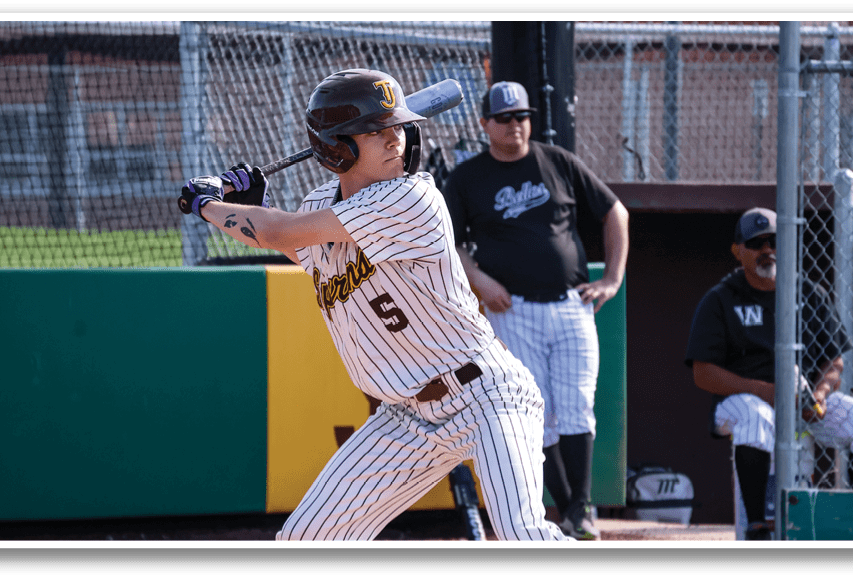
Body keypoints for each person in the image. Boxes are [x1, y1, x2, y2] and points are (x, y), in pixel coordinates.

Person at [176, 69, 568, 541]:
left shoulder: (412, 197)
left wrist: (209, 206)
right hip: (406, 417)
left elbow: (281, 231)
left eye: (398, 126)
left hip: (485, 395)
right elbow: (303, 249)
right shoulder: (321, 203)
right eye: (376, 131)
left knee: (524, 536)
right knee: (305, 540)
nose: (395, 140)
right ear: (335, 148)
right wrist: (257, 211)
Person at [442, 81, 629, 540]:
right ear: (485, 124)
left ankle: (580, 509)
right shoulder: (467, 177)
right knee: (534, 411)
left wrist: (613, 279)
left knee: (577, 407)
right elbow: (446, 242)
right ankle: (565, 508)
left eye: (521, 116)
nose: (514, 125)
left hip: (571, 304)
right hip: (513, 308)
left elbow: (615, 212)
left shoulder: (556, 161)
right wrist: (479, 280)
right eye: (503, 118)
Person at [684, 208, 853, 540]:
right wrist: (765, 391)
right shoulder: (720, 300)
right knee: (756, 418)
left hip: (803, 400)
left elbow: (834, 361)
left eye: (774, 241)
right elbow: (703, 373)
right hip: (741, 402)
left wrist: (820, 394)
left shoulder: (808, 292)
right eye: (756, 243)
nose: (767, 249)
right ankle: (757, 528)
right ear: (738, 251)